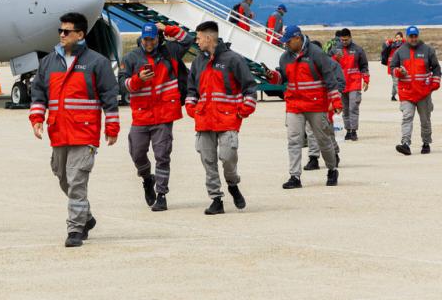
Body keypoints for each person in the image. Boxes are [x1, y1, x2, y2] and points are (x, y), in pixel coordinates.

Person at [29, 12, 120, 248]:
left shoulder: (96, 62)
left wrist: (112, 126)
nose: (61, 34)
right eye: (60, 31)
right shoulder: (49, 62)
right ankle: (86, 217)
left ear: (80, 35)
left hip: (84, 133)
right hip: (58, 131)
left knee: (77, 180)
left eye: (66, 31)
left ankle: (75, 229)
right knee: (62, 177)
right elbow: (39, 92)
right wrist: (37, 117)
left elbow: (110, 96)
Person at [118, 21, 195, 212]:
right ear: (141, 38)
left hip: (164, 113)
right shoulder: (130, 58)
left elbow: (189, 40)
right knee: (137, 153)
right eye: (145, 39)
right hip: (141, 115)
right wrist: (138, 80)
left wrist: (167, 29)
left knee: (162, 155)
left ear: (158, 38)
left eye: (152, 38)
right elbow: (121, 83)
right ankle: (146, 178)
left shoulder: (170, 52)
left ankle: (161, 195)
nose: (149, 42)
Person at [185, 20, 257, 215]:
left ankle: (233, 184)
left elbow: (249, 87)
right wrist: (191, 107)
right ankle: (216, 199)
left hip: (227, 120)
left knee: (227, 158)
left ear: (209, 38)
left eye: (199, 38)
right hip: (204, 121)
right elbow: (191, 88)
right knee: (208, 162)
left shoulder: (233, 60)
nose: (196, 42)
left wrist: (243, 110)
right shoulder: (198, 62)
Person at [263, 25, 340, 189]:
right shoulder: (285, 58)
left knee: (323, 139)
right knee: (293, 140)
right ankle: (294, 176)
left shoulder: (317, 54)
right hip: (294, 105)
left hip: (316, 104)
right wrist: (272, 76)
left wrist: (336, 101)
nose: (286, 45)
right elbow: (282, 79)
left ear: (298, 38)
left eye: (288, 41)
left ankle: (332, 169)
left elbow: (329, 77)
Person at [390, 26, 440, 156]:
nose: (413, 38)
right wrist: (398, 72)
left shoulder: (428, 50)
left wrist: (435, 82)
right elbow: (392, 68)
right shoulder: (400, 52)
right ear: (407, 37)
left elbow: (436, 68)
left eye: (415, 36)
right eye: (411, 36)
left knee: (425, 120)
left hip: (423, 93)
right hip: (406, 92)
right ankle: (405, 143)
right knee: (407, 117)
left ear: (418, 36)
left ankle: (426, 143)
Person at [304, 40, 343, 171]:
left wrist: (334, 101)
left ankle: (334, 154)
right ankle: (313, 158)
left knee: (326, 131)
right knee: (310, 131)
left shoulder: (332, 64)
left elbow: (340, 84)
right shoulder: (306, 64)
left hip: (328, 102)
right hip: (312, 103)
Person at [331, 28, 369, 141]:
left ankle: (354, 131)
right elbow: (328, 64)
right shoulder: (335, 50)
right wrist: (334, 58)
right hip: (341, 84)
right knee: (345, 109)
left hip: (354, 83)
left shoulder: (358, 50)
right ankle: (348, 130)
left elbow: (364, 66)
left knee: (353, 107)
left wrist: (366, 80)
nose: (344, 42)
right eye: (342, 40)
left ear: (350, 38)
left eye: (346, 40)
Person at [381, 32, 404, 102]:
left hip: (400, 65)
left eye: (399, 37)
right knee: (396, 81)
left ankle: (393, 95)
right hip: (391, 65)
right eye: (396, 37)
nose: (397, 39)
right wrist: (392, 40)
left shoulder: (403, 45)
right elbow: (384, 44)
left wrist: (402, 40)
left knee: (397, 81)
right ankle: (401, 96)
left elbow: (408, 42)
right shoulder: (391, 44)